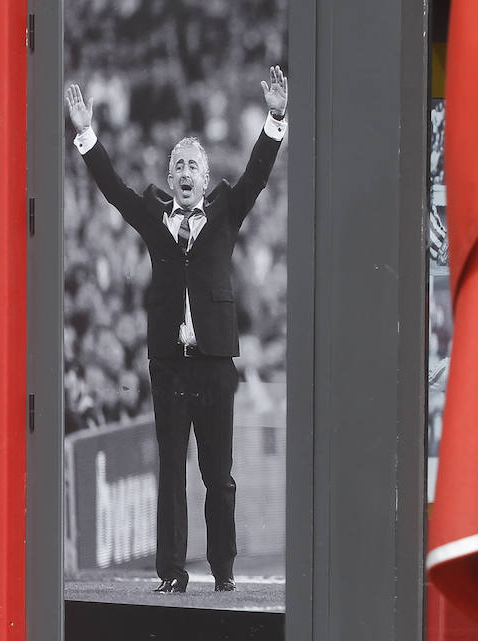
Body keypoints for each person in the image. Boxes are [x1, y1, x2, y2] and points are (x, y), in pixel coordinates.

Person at [65, 67, 288, 593]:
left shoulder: (227, 209)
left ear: (205, 179)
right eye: (178, 165)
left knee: (219, 474)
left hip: (213, 362)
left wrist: (275, 119)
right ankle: (171, 574)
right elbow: (113, 190)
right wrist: (86, 136)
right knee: (171, 471)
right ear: (171, 177)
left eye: (194, 165)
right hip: (168, 362)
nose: (185, 171)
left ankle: (225, 571)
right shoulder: (151, 212)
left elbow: (257, 173)